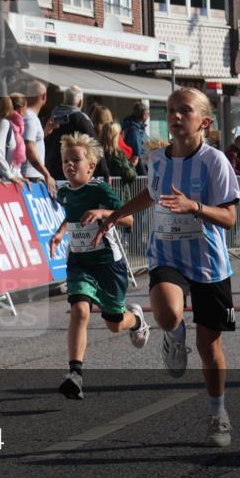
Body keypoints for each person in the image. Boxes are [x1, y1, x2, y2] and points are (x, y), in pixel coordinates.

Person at [94, 88, 240, 448]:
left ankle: (218, 413)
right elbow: (153, 193)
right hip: (167, 253)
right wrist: (116, 214)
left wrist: (196, 207)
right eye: (171, 109)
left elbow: (230, 217)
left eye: (184, 111)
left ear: (203, 122)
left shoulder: (215, 162)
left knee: (209, 347)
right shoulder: (157, 159)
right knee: (168, 313)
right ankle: (173, 337)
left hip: (208, 262)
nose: (175, 116)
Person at [49, 133, 147, 399]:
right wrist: (60, 233)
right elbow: (71, 218)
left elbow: (129, 222)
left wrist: (104, 213)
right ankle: (75, 374)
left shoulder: (99, 189)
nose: (70, 165)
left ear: (90, 166)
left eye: (76, 160)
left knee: (114, 323)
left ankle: (136, 319)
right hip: (80, 262)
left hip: (107, 264)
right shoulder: (65, 193)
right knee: (80, 309)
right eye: (66, 161)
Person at [45, 85, 109, 181]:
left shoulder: (51, 118)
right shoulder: (80, 119)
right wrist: (105, 172)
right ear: (80, 102)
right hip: (73, 173)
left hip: (51, 172)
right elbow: (95, 145)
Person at [21, 79, 57, 197]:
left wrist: (45, 131)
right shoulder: (30, 119)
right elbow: (29, 148)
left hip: (33, 176)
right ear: (44, 96)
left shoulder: (30, 117)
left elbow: (31, 142)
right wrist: (47, 174)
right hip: (31, 177)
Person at [0, 93, 28, 183]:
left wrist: (17, 175)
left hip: (6, 180)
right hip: (1, 180)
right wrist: (8, 174)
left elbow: (12, 161)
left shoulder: (15, 129)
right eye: (26, 109)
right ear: (21, 109)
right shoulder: (4, 123)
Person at [99, 122, 137, 196]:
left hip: (100, 195)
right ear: (115, 137)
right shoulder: (117, 154)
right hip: (119, 195)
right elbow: (129, 176)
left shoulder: (96, 153)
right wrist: (132, 165)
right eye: (119, 134)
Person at [122, 102, 150, 175]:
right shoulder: (135, 130)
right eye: (148, 113)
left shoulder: (135, 127)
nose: (149, 115)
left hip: (141, 163)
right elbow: (137, 153)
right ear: (144, 115)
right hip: (140, 166)